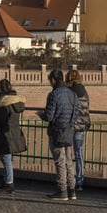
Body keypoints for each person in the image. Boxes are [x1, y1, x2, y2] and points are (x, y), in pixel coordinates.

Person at [38, 68, 79, 201]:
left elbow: (49, 116)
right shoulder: (73, 94)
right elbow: (76, 112)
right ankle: (72, 189)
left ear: (53, 80)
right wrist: (70, 125)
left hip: (56, 131)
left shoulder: (53, 94)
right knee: (68, 160)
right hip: (69, 130)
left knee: (59, 160)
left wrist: (40, 114)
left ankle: (62, 190)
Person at [0, 79, 26, 194]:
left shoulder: (4, 103)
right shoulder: (16, 102)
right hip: (13, 132)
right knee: (5, 158)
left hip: (5, 133)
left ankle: (9, 182)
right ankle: (6, 181)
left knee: (5, 158)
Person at [67, 69, 91, 192]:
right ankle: (80, 180)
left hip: (71, 125)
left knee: (67, 153)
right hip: (82, 125)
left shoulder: (69, 92)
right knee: (79, 153)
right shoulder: (84, 91)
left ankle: (69, 179)